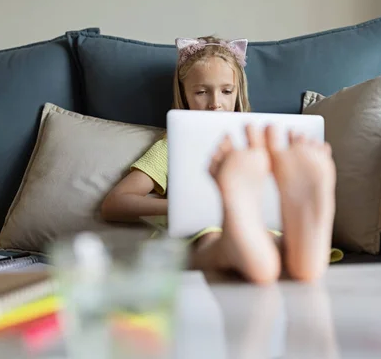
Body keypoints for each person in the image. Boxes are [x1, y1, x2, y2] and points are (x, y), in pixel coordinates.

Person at [101, 36, 341, 284]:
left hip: (259, 226)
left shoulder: (258, 141)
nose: (215, 103)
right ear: (184, 94)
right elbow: (115, 203)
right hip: (198, 230)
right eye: (202, 92)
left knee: (252, 237)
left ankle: (281, 241)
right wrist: (182, 208)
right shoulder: (173, 143)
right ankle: (280, 249)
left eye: (227, 91)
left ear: (239, 91)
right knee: (210, 237)